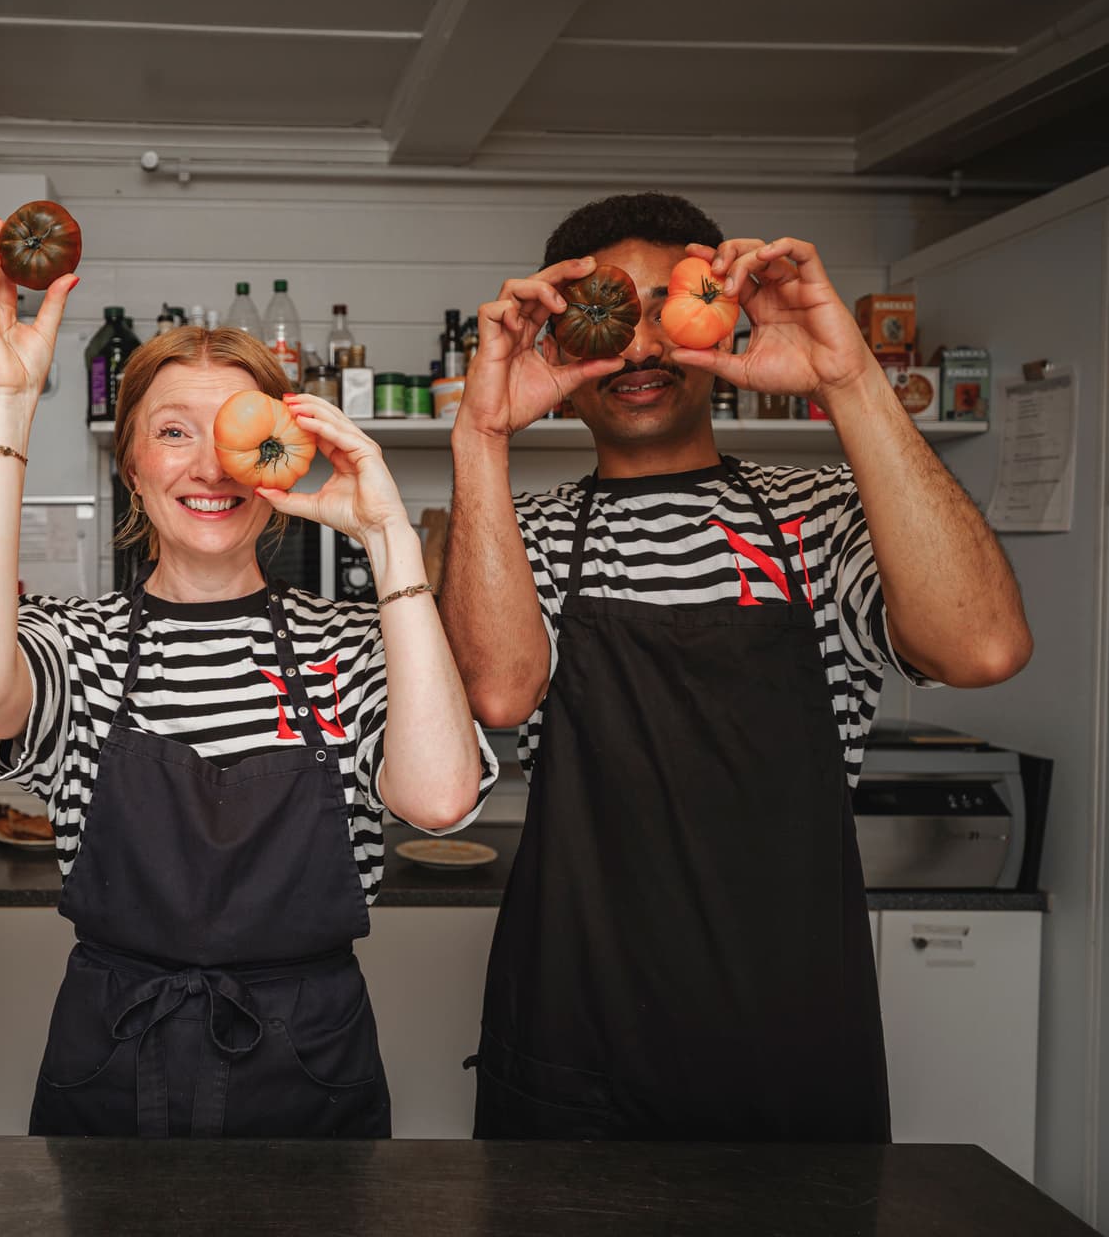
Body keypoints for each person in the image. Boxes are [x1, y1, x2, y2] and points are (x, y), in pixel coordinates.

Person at [441, 192, 1032, 1143]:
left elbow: (983, 647)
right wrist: (481, 434)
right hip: (573, 1033)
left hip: (794, 1041)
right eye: (608, 318)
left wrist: (847, 378)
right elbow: (500, 694)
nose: (637, 350)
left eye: (662, 311)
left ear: (714, 312)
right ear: (561, 342)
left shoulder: (824, 513)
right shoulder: (530, 534)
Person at [0, 223, 497, 1138]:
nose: (205, 467)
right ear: (134, 469)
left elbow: (437, 799)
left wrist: (389, 533)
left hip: (311, 1064)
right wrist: (7, 396)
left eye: (232, 434)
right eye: (171, 433)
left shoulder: (353, 643)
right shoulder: (78, 645)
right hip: (114, 1058)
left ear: (283, 452)